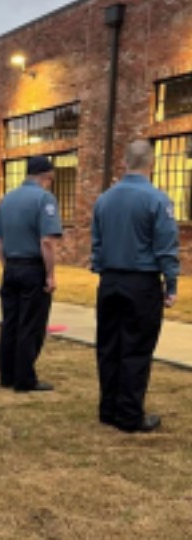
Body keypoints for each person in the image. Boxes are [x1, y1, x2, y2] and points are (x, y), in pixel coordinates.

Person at [91, 140, 179, 433]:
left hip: (110, 280)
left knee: (109, 346)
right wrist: (171, 284)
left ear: (124, 162)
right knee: (136, 348)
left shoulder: (103, 200)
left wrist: (101, 268)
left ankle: (108, 408)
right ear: (150, 164)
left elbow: (97, 243)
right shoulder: (157, 200)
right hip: (141, 281)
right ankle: (129, 413)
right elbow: (166, 247)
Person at [0, 156, 63, 392]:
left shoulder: (6, 200)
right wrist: (50, 274)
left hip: (11, 266)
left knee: (10, 323)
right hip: (33, 268)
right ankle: (24, 378)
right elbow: (47, 241)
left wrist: (7, 266)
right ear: (46, 176)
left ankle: (7, 374)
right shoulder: (45, 199)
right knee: (30, 325)